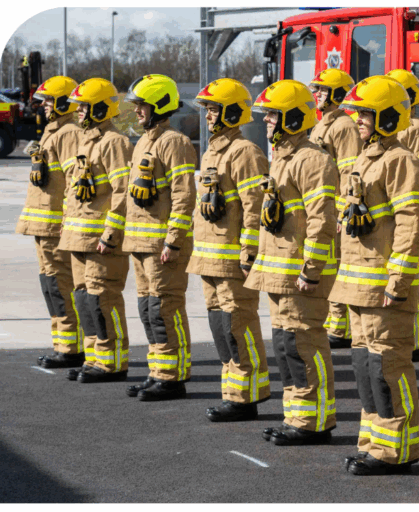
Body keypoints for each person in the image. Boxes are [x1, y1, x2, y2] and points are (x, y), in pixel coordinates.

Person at [329, 75, 419, 475]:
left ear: (388, 116)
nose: (359, 120)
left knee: (387, 367)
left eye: (366, 113)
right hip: (357, 284)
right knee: (366, 367)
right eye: (358, 113)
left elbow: (411, 224)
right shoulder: (365, 158)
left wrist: (399, 279)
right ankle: (374, 444)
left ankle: (396, 450)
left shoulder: (401, 161)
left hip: (382, 285)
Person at [246, 79, 340, 445]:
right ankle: (297, 415)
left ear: (294, 117)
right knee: (287, 346)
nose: (267, 121)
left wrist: (311, 269)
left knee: (304, 345)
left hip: (299, 277)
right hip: (278, 275)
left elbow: (322, 221)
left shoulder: (312, 160)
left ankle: (315, 421)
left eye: (273, 115)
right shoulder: (283, 158)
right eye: (267, 115)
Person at [188, 78, 271, 422]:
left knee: (238, 326)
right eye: (206, 109)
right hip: (208, 260)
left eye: (213, 108)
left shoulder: (245, 152)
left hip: (232, 261)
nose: (208, 115)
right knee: (221, 327)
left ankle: (246, 397)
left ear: (232, 112)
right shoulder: (211, 152)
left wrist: (249, 253)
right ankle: (233, 392)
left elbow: (255, 208)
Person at [121, 74, 198, 401]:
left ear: (160, 106)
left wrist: (173, 240)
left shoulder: (174, 142)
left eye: (142, 105)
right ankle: (158, 372)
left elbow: (184, 197)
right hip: (140, 246)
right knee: (149, 309)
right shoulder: (144, 141)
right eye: (136, 105)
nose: (137, 111)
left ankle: (173, 377)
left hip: (162, 248)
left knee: (165, 309)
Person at [56, 77, 134, 383]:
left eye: (84, 107)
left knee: (103, 299)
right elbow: (73, 190)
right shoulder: (85, 142)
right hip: (77, 238)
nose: (78, 112)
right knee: (85, 300)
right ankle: (95, 358)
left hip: (100, 241)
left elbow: (123, 191)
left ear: (101, 108)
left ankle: (112, 362)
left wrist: (111, 234)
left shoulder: (115, 143)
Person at [16, 76, 84, 369]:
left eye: (47, 100)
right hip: (42, 229)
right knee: (51, 286)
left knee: (61, 285)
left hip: (56, 228)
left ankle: (71, 349)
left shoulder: (68, 133)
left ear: (61, 103)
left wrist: (67, 223)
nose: (42, 106)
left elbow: (75, 182)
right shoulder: (52, 132)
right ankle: (62, 344)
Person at [309, 68, 363, 350]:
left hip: (335, 210)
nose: (316, 94)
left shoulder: (344, 126)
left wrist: (343, 210)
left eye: (322, 90)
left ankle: (341, 329)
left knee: (339, 267)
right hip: (323, 209)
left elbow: (349, 171)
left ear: (337, 94)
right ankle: (336, 324)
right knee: (329, 267)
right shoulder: (323, 124)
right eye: (316, 89)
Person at [388, 68, 419, 362]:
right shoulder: (395, 128)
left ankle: (416, 340)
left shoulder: (416, 129)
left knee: (410, 279)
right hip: (390, 216)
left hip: (404, 215)